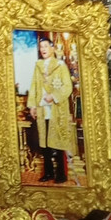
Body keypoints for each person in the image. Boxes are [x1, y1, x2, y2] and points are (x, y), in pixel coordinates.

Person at [28, 35, 75, 183]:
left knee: (58, 142)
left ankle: (61, 174)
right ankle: (48, 173)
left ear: (52, 48)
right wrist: (32, 106)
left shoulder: (60, 66)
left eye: (46, 47)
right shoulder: (38, 66)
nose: (43, 50)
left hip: (57, 110)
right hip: (42, 110)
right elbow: (34, 87)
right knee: (44, 143)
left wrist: (54, 96)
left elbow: (67, 87)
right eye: (41, 47)